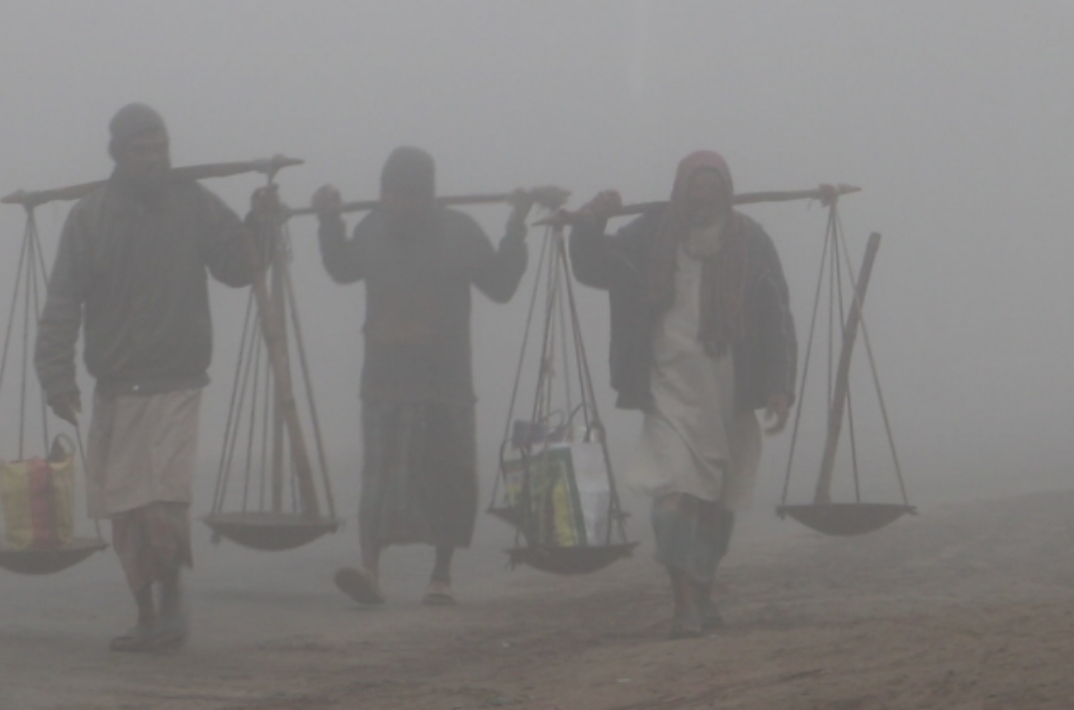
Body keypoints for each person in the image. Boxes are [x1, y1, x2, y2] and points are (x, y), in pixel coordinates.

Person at [36, 103, 266, 653]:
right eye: (142, 151)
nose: (155, 160)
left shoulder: (194, 206)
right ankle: (146, 615)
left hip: (177, 379)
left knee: (162, 502)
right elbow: (64, 300)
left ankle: (172, 603)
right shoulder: (91, 218)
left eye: (161, 149)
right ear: (117, 155)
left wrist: (261, 223)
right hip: (117, 383)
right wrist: (55, 375)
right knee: (127, 510)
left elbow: (238, 268)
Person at [567, 150, 796, 638]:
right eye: (695, 193)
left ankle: (704, 590)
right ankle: (682, 603)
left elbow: (776, 314)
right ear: (680, 194)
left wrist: (779, 386)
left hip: (731, 392)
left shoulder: (750, 240)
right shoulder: (650, 234)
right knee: (674, 500)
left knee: (716, 503)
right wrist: (590, 223)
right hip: (668, 388)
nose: (703, 203)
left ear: (726, 196)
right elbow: (593, 267)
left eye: (712, 193)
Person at [314, 147, 531, 607]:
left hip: (445, 378)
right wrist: (329, 223)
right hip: (386, 377)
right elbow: (342, 269)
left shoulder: (458, 232)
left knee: (446, 476)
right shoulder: (374, 227)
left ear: (428, 194)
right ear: (383, 192)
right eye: (391, 192)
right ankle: (370, 569)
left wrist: (516, 228)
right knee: (380, 481)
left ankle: (441, 574)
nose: (398, 202)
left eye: (409, 193)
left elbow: (500, 285)